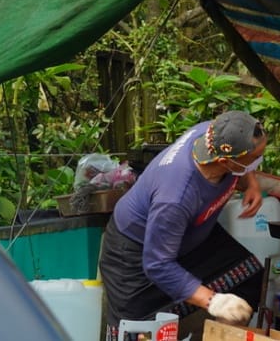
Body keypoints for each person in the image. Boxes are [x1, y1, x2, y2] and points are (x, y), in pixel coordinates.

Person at [99, 111, 269, 340]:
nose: (259, 160)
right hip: (135, 250)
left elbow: (245, 160)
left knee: (249, 278)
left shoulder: (217, 134)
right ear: (225, 162)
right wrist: (213, 300)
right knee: (138, 331)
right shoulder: (176, 197)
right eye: (255, 158)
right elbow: (157, 264)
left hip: (193, 234)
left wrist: (251, 183)